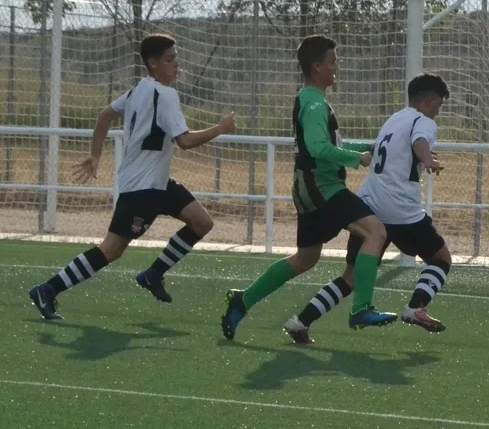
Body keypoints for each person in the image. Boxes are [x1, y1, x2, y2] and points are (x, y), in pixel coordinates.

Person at [28, 34, 236, 320]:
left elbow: (104, 116)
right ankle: (47, 290)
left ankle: (153, 274)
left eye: (176, 58)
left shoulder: (138, 90)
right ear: (153, 63)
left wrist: (95, 155)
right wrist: (220, 128)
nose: (176, 64)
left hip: (157, 183)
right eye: (170, 59)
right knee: (112, 250)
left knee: (202, 222)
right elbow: (185, 141)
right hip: (142, 189)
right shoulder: (165, 95)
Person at [220, 35, 395, 340]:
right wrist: (356, 158)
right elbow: (317, 148)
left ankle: (242, 301)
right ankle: (361, 308)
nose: (337, 67)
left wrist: (366, 147)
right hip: (321, 188)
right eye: (333, 61)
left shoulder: (312, 99)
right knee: (376, 232)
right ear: (317, 67)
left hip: (311, 188)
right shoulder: (314, 103)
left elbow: (327, 144)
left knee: (305, 259)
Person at [282, 73, 452, 345]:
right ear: (430, 102)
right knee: (441, 259)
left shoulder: (394, 119)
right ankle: (416, 307)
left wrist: (422, 157)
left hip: (369, 206)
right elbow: (419, 141)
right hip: (400, 210)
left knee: (351, 277)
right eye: (439, 105)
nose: (438, 112)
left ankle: (300, 322)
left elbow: (395, 151)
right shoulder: (425, 121)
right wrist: (427, 159)